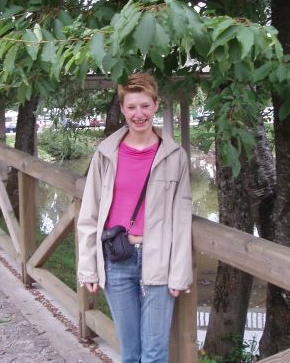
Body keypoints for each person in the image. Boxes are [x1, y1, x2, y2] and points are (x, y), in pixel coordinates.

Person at [77, 72, 193, 363]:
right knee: (130, 353)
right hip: (117, 258)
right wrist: (88, 268)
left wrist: (180, 273)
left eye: (144, 106)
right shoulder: (106, 153)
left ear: (155, 105)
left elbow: (182, 220)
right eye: (131, 107)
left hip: (159, 258)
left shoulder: (175, 156)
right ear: (122, 108)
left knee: (154, 354)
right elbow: (89, 214)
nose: (138, 114)